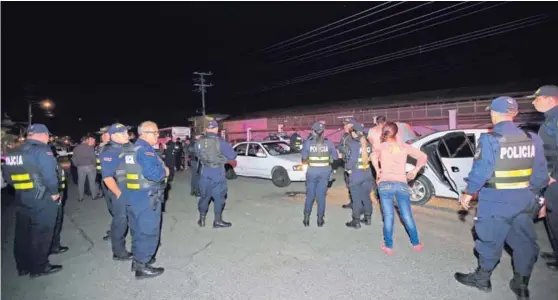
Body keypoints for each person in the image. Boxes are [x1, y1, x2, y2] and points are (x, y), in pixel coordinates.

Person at [454, 96, 548, 299]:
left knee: (489, 241)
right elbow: (541, 174)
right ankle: (521, 285)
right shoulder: (532, 138)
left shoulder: (491, 139)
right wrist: (538, 198)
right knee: (524, 243)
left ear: (494, 114)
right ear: (514, 114)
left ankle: (482, 279)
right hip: (524, 200)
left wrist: (468, 193)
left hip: (495, 201)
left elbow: (481, 171)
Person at [3, 124, 62, 277]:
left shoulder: (13, 152)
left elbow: (8, 178)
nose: (48, 138)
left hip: (21, 197)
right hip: (41, 198)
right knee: (41, 232)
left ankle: (22, 266)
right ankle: (39, 267)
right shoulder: (42, 150)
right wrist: (55, 193)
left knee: (23, 232)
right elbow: (50, 177)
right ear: (42, 135)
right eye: (48, 135)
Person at [120, 121, 168, 279]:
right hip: (147, 197)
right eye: (155, 133)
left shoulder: (132, 148)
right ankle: (143, 265)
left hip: (134, 196)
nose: (157, 136)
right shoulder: (145, 150)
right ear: (146, 133)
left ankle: (138, 259)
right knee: (148, 231)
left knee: (137, 230)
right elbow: (153, 174)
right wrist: (165, 171)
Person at [371, 122, 427, 254]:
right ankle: (416, 244)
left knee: (388, 216)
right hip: (401, 183)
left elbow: (373, 156)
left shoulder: (380, 147)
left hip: (385, 184)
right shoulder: (403, 146)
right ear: (397, 133)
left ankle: (389, 246)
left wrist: (377, 169)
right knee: (407, 215)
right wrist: (415, 170)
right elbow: (423, 157)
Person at [530, 85, 558, 271]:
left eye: (537, 98)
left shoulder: (555, 120)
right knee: (552, 217)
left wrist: (553, 175)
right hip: (550, 179)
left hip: (555, 180)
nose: (533, 102)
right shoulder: (550, 119)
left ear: (551, 99)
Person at [100, 124, 134, 262]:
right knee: (121, 221)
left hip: (134, 189)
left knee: (135, 217)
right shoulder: (109, 152)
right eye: (123, 133)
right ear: (114, 136)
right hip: (121, 190)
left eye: (126, 132)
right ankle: (118, 251)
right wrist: (118, 194)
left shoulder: (130, 147)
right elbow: (107, 177)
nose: (127, 135)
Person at [195, 119, 237, 228]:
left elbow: (195, 153)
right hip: (217, 172)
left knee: (204, 196)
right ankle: (217, 221)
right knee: (219, 197)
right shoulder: (220, 142)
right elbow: (232, 155)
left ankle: (202, 220)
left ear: (206, 129)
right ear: (216, 129)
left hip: (204, 172)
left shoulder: (199, 141)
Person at [301, 122, 338, 227]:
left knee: (310, 196)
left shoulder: (308, 143)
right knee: (321, 197)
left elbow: (303, 159)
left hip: (312, 172)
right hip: (325, 172)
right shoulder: (329, 143)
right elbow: (335, 159)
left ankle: (306, 219)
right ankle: (320, 220)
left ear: (313, 131)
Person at [344, 121, 374, 229]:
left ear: (354, 132)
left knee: (356, 199)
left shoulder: (354, 144)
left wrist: (347, 167)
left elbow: (352, 160)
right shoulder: (368, 143)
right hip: (367, 174)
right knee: (366, 197)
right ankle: (368, 218)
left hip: (356, 175)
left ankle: (356, 221)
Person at [72, 135, 100, 202]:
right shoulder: (90, 147)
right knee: (92, 182)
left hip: (80, 167)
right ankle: (94, 196)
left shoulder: (76, 148)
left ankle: (80, 197)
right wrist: (94, 165)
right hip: (90, 167)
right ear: (87, 140)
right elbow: (93, 158)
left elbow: (73, 159)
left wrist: (77, 165)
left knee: (81, 183)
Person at [97, 126, 112, 241]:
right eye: (102, 135)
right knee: (112, 208)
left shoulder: (113, 148)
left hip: (113, 181)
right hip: (105, 180)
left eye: (105, 134)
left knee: (118, 209)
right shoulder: (101, 147)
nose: (102, 136)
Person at [51, 161, 69, 255]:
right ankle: (53, 246)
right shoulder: (47, 159)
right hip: (53, 195)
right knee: (54, 222)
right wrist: (55, 192)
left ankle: (54, 245)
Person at [338, 119, 354, 209]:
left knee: (352, 184)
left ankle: (355, 203)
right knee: (350, 184)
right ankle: (354, 202)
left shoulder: (348, 137)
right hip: (349, 163)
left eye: (346, 125)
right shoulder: (348, 136)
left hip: (351, 164)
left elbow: (343, 148)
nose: (344, 127)